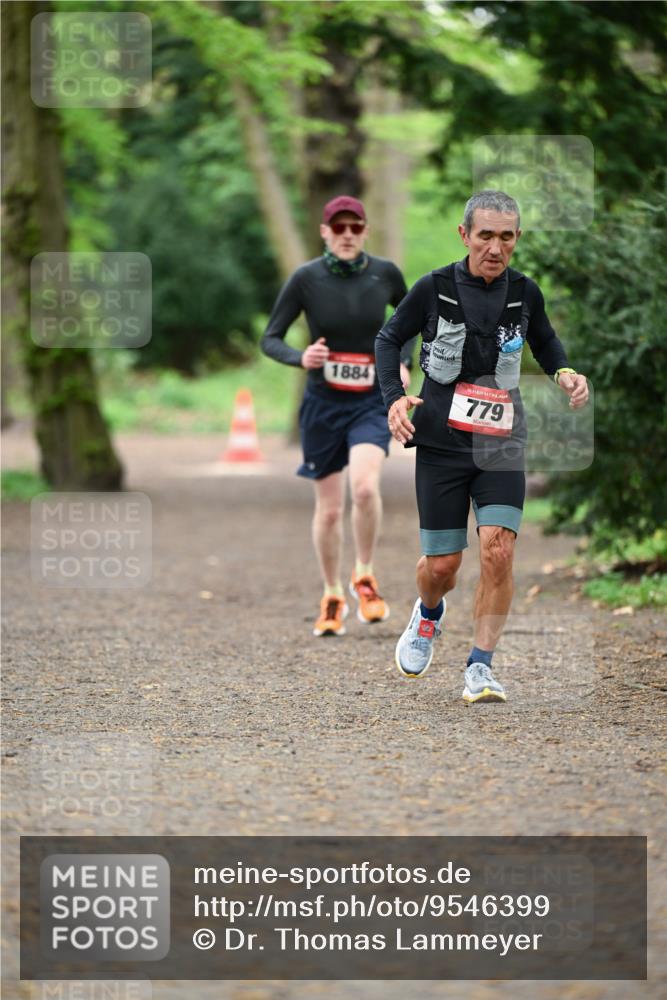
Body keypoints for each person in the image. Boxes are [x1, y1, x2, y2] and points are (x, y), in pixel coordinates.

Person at [375, 190, 589, 702]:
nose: (495, 247)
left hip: (501, 441)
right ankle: (428, 613)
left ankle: (480, 666)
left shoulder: (525, 292)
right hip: (442, 442)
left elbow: (545, 340)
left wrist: (563, 371)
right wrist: (394, 399)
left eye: (506, 237)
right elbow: (388, 338)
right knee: (442, 567)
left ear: (517, 238)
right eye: (486, 235)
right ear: (465, 234)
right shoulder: (433, 288)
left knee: (499, 550)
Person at [261, 195, 414, 636]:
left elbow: (412, 324)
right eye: (339, 227)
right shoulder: (306, 278)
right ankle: (331, 595)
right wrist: (300, 357)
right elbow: (270, 338)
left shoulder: (385, 274)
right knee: (329, 511)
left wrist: (404, 362)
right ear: (325, 232)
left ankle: (363, 575)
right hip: (323, 405)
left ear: (365, 231)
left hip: (370, 401)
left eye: (355, 227)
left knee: (364, 488)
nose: (347, 235)